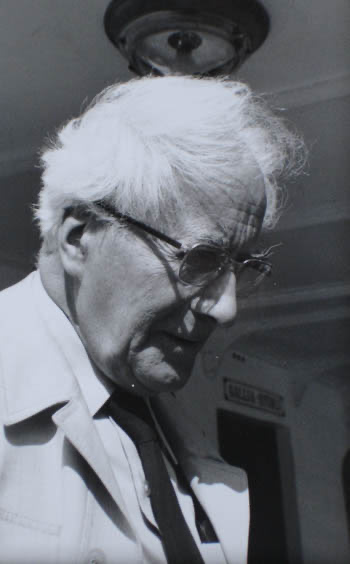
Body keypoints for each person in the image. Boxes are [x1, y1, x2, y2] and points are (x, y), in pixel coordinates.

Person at [0, 75, 303, 564]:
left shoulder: (167, 425)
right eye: (201, 259)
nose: (226, 310)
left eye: (240, 267)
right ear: (80, 236)